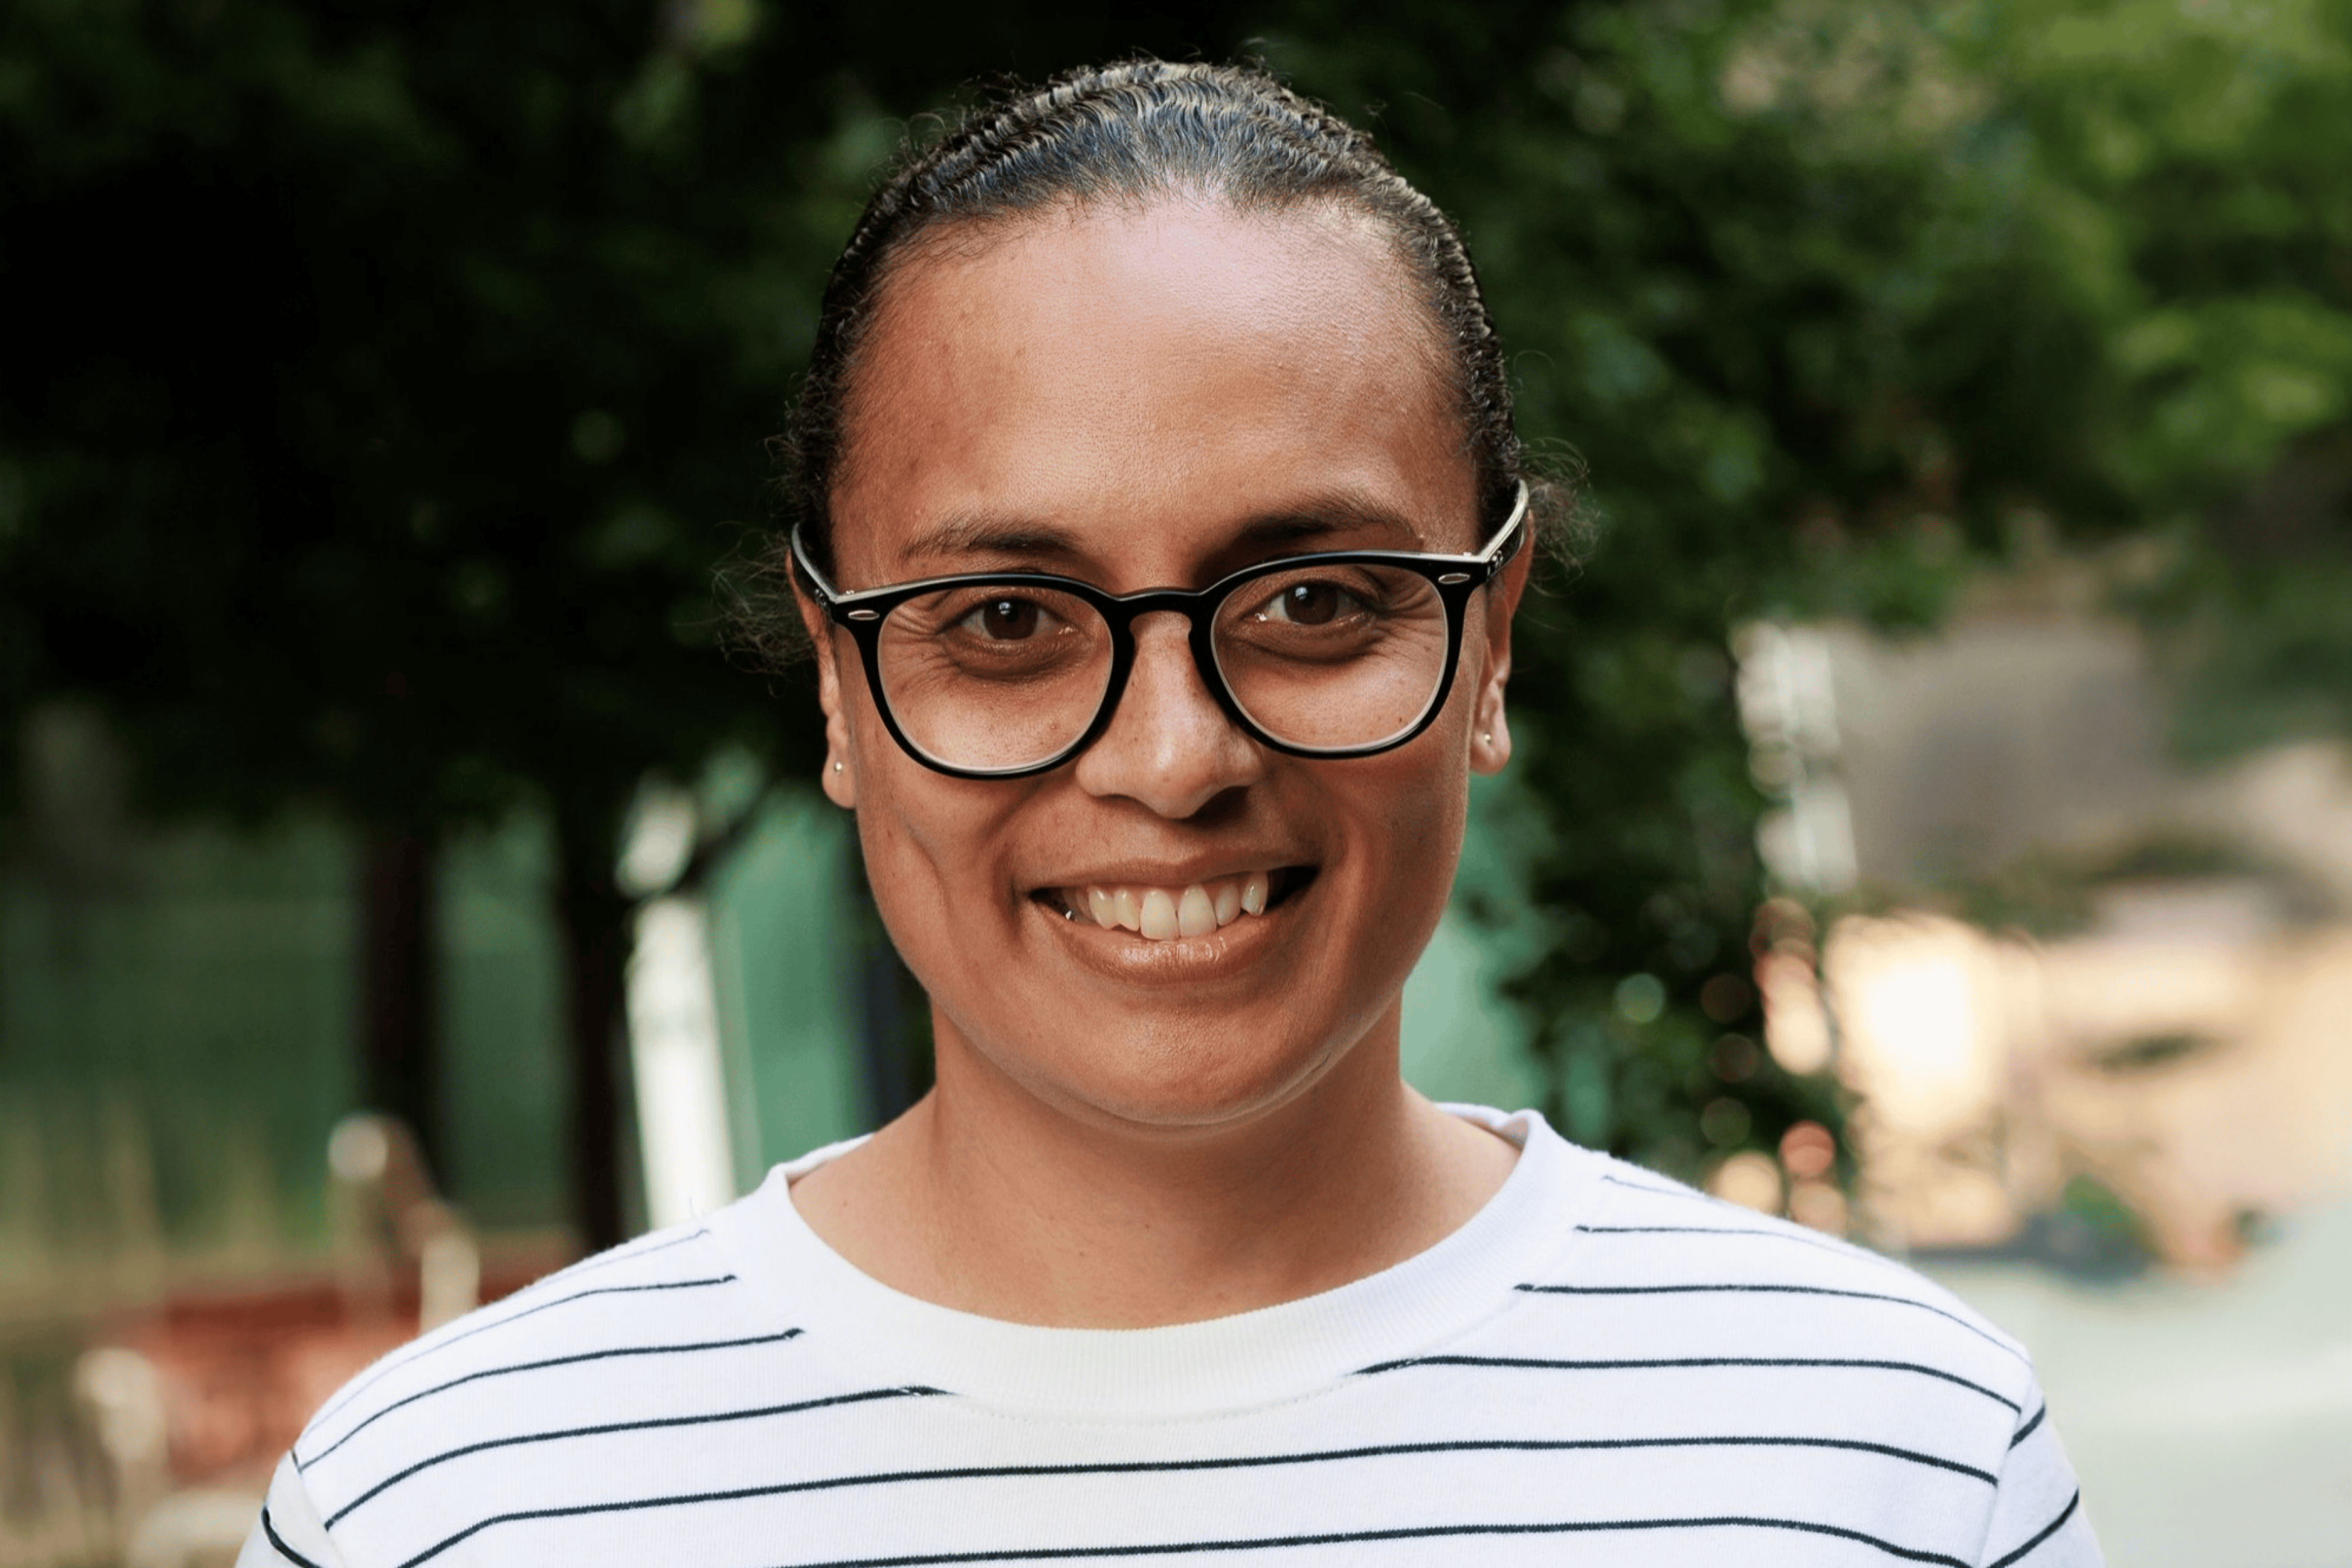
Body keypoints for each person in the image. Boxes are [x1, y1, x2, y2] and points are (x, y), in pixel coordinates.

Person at [242, 59, 2099, 1568]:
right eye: (1005, 622)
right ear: (835, 682)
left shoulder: (1888, 1454)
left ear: (1492, 642)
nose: (1172, 756)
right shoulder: (456, 1507)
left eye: (1312, 602)